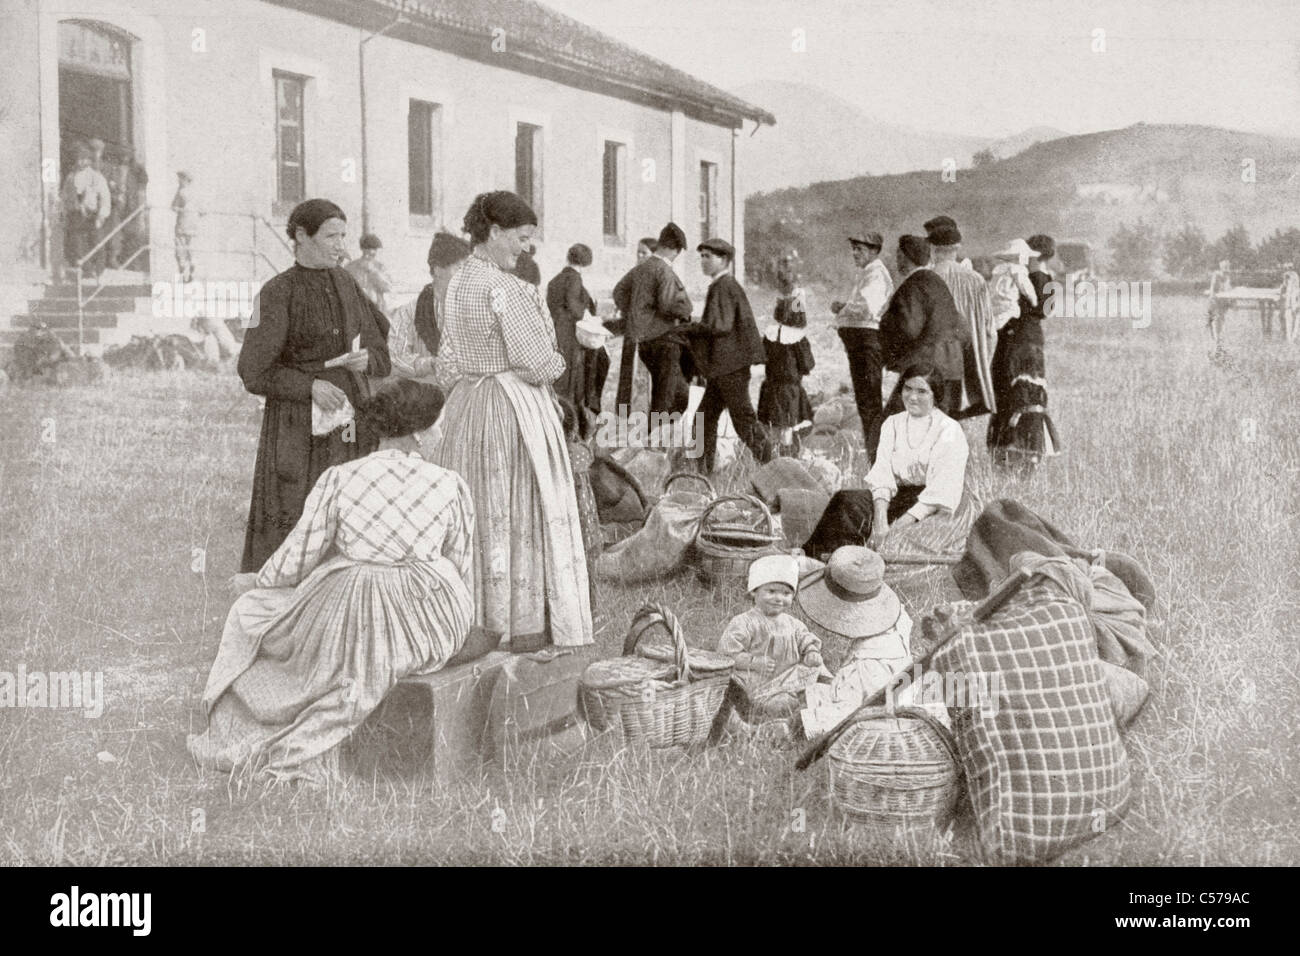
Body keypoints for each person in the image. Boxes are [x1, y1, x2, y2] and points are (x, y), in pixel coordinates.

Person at [189, 381, 476, 786]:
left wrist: (260, 581)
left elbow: (299, 554)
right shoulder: (448, 482)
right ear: (416, 432)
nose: (441, 433)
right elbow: (460, 562)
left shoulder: (341, 477)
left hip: (350, 600)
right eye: (438, 426)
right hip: (430, 619)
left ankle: (259, 722)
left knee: (251, 612)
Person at [434, 190, 593, 654]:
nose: (526, 248)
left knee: (483, 509)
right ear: (495, 231)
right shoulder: (509, 288)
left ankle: (479, 617)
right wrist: (562, 362)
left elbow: (447, 360)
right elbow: (534, 362)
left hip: (467, 406)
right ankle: (521, 624)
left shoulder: (458, 280)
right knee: (520, 503)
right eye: (522, 237)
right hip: (511, 409)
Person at [237, 198, 392, 572]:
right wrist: (309, 386)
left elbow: (381, 349)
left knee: (350, 513)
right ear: (301, 237)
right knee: (298, 514)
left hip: (350, 422)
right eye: (331, 236)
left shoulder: (346, 282)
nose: (341, 245)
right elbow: (252, 371)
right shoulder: (275, 292)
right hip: (296, 428)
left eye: (344, 236)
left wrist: (368, 358)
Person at [802, 363, 969, 560]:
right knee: (846, 501)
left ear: (936, 395)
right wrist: (880, 522)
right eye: (908, 389)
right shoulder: (893, 423)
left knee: (895, 537)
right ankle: (819, 560)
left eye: (922, 391)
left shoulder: (948, 429)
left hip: (935, 503)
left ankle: (853, 564)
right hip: (898, 497)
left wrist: (895, 528)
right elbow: (883, 475)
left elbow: (941, 490)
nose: (912, 397)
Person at [796, 546, 920, 737]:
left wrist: (796, 725)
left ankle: (779, 728)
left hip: (877, 709)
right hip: (888, 685)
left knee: (818, 710)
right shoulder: (895, 622)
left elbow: (845, 716)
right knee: (806, 689)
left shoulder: (867, 666)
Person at [686, 238, 772, 473]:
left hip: (729, 367)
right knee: (705, 419)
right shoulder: (725, 285)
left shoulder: (723, 286)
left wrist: (689, 327)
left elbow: (719, 325)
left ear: (723, 260)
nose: (703, 261)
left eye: (708, 257)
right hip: (726, 368)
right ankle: (701, 473)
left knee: (743, 421)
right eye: (701, 256)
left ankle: (774, 466)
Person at [718, 554, 828, 724]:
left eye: (786, 593)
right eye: (771, 591)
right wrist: (753, 661)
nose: (779, 598)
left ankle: (818, 694)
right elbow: (726, 653)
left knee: (819, 669)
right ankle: (774, 712)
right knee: (777, 704)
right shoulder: (744, 622)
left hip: (789, 678)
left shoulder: (793, 624)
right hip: (757, 685)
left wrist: (811, 651)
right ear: (754, 591)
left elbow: (805, 639)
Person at [987, 233, 1062, 469]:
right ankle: (1029, 452)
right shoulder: (1048, 280)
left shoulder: (1023, 276)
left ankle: (1007, 451)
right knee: (1029, 396)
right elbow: (1045, 312)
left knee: (1010, 395)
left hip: (1014, 341)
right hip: (1033, 341)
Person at [879, 235, 968, 417]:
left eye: (898, 255)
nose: (897, 260)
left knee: (893, 424)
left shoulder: (912, 286)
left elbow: (909, 329)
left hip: (924, 368)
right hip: (951, 367)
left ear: (905, 257)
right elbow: (962, 327)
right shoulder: (937, 283)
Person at [612, 222, 694, 414]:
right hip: (659, 338)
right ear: (672, 249)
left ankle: (628, 428)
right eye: (677, 252)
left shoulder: (641, 268)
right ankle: (655, 435)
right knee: (664, 392)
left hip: (636, 336)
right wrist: (685, 310)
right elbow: (667, 305)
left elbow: (618, 292)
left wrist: (633, 311)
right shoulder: (664, 270)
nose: (676, 257)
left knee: (633, 388)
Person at [830, 229, 894, 461]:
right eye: (854, 249)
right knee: (866, 402)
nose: (855, 253)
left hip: (867, 344)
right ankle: (874, 454)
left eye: (860, 249)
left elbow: (867, 306)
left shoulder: (876, 274)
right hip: (860, 343)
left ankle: (877, 456)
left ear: (874, 252)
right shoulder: (867, 273)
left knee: (870, 403)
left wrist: (842, 308)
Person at [925, 216, 997, 417]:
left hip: (930, 359)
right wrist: (982, 363)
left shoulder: (925, 278)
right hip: (961, 359)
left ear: (932, 249)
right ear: (957, 248)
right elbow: (989, 330)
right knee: (951, 416)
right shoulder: (976, 280)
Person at [388, 231, 472, 385]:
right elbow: (395, 358)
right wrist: (431, 364)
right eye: (459, 269)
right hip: (428, 396)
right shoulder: (409, 312)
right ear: (438, 269)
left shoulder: (475, 310)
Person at [757, 278, 815, 455]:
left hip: (769, 387)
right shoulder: (798, 339)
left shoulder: (770, 334)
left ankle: (770, 458)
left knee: (770, 427)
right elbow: (808, 365)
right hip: (790, 391)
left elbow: (762, 357)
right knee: (787, 429)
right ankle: (786, 459)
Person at [546, 243, 598, 406]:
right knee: (569, 374)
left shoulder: (555, 280)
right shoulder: (575, 278)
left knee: (557, 374)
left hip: (553, 330)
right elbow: (572, 303)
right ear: (585, 263)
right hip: (568, 332)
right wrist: (589, 317)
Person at [61, 143, 112, 283]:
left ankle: (99, 270)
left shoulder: (95, 176)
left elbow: (105, 196)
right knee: (78, 244)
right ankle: (87, 271)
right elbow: (65, 197)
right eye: (78, 159)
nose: (80, 162)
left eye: (83, 159)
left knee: (96, 242)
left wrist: (102, 214)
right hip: (76, 215)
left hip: (92, 214)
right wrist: (64, 212)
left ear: (88, 160)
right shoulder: (70, 177)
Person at [989, 238, 1038, 330]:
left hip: (994, 304)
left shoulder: (999, 269)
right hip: (1009, 305)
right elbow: (1025, 287)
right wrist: (1033, 300)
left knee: (994, 325)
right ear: (1019, 256)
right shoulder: (1017, 269)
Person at [344, 233, 393, 313]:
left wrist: (373, 271)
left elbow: (388, 287)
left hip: (376, 308)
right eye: (369, 248)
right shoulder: (351, 267)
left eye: (375, 249)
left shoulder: (380, 267)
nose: (372, 252)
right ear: (362, 249)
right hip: (356, 308)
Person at [172, 170, 199, 282]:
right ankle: (192, 265)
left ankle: (183, 272)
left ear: (184, 180)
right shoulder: (195, 193)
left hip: (182, 224)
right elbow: (203, 211)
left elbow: (173, 206)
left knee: (180, 248)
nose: (178, 181)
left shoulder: (181, 192)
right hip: (193, 225)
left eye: (180, 179)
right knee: (190, 247)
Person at [1205, 259, 1233, 348]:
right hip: (1215, 301)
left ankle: (1218, 340)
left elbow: (1228, 287)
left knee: (1221, 319)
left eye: (1227, 269)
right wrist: (1213, 297)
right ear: (1221, 268)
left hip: (1222, 300)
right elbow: (1213, 288)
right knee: (1215, 319)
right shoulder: (1216, 275)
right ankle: (1216, 341)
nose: (1226, 272)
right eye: (1224, 269)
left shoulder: (1227, 277)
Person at [1281, 261, 1300, 341]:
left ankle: (1294, 336)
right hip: (1288, 304)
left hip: (1295, 302)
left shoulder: (1295, 276)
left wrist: (1296, 304)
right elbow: (1284, 290)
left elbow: (1296, 290)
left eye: (1290, 268)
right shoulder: (1286, 278)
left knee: (1297, 319)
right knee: (1288, 318)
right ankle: (1289, 338)